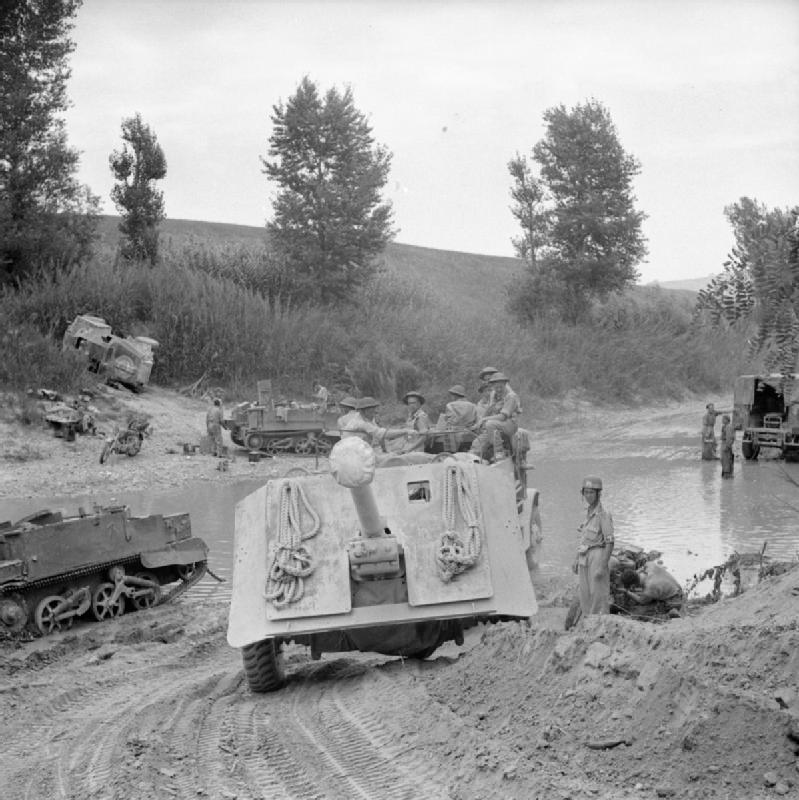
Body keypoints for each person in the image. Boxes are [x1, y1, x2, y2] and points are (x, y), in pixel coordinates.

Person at [572, 476, 614, 616]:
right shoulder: (588, 513)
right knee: (585, 594)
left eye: (591, 492)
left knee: (598, 595)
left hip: (597, 555)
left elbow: (610, 542)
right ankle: (587, 625)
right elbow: (583, 539)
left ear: (598, 494)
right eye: (586, 492)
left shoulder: (603, 514)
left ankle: (600, 627)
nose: (588, 495)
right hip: (584, 556)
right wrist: (576, 559)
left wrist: (602, 566)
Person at [469, 372, 520, 460]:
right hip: (496, 424)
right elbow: (489, 410)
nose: (499, 389)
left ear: (505, 384)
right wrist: (479, 423)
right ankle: (473, 458)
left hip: (509, 424)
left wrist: (484, 419)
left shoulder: (511, 396)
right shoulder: (493, 394)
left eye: (501, 387)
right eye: (496, 387)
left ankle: (499, 452)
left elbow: (503, 417)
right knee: (477, 443)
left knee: (490, 424)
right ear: (492, 386)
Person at [340, 397, 406, 451]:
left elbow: (380, 434)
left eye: (374, 408)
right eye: (371, 409)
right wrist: (405, 431)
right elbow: (382, 434)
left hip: (361, 449)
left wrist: (384, 450)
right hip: (353, 452)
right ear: (363, 411)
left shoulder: (368, 419)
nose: (374, 411)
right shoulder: (360, 423)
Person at [437, 384, 479, 449]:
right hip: (469, 432)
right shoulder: (473, 405)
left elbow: (449, 421)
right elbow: (476, 420)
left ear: (454, 395)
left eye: (451, 395)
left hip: (454, 433)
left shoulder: (450, 405)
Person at [720, 414, 735, 478]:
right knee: (724, 459)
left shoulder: (728, 427)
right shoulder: (725, 426)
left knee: (726, 459)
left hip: (725, 444)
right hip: (724, 443)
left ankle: (727, 474)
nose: (722, 420)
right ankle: (726, 473)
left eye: (723, 419)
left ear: (726, 420)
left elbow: (729, 438)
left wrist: (727, 446)